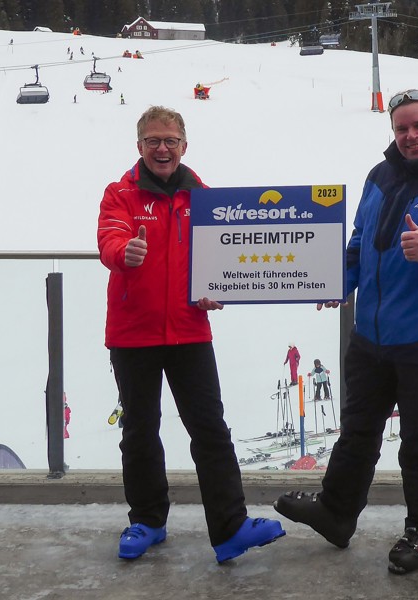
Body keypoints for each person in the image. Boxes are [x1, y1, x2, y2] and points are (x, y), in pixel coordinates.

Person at [274, 88, 418, 575]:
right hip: (371, 332)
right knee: (356, 432)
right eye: (401, 128)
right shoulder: (381, 175)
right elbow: (360, 242)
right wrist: (340, 282)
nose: (411, 136)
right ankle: (336, 513)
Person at [97, 105, 284, 564]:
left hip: (188, 331)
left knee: (210, 430)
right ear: (139, 146)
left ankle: (229, 529)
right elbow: (110, 240)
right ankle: (147, 520)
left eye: (171, 140)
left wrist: (213, 290)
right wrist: (127, 251)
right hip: (133, 333)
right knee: (140, 430)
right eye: (153, 141)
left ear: (184, 145)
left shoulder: (203, 197)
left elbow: (220, 258)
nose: (162, 148)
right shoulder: (120, 194)